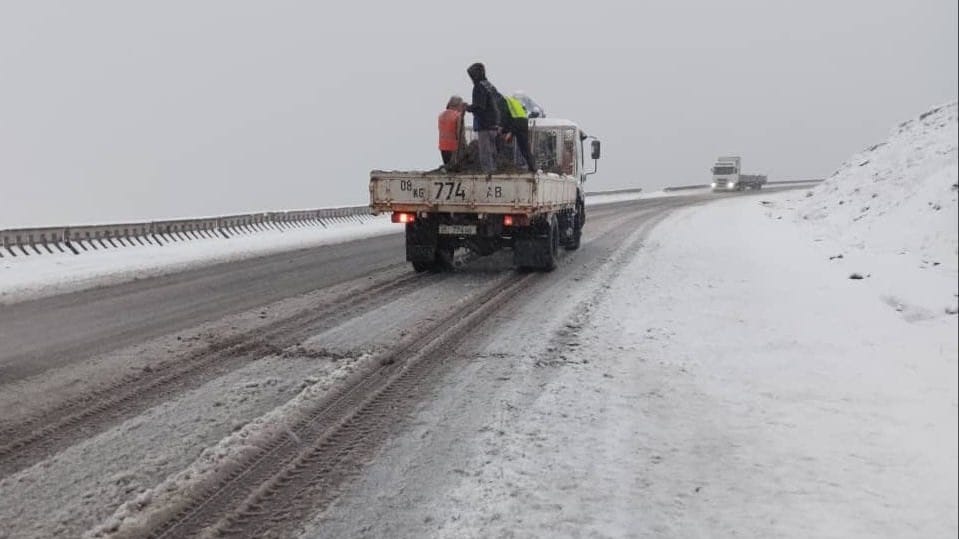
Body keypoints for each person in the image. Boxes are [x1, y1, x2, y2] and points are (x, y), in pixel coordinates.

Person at [464, 62, 502, 174]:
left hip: (484, 124)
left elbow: (480, 106)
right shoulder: (490, 86)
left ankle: (488, 173)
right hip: (495, 123)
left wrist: (468, 108)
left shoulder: (478, 87)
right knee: (493, 150)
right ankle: (494, 170)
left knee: (485, 151)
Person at [503, 94, 536, 172]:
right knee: (525, 147)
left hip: (517, 121)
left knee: (523, 147)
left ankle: (531, 166)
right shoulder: (513, 101)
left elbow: (507, 119)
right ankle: (532, 166)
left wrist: (507, 131)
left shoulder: (503, 103)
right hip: (524, 122)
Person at [438, 95, 465, 167]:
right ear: (458, 105)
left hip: (442, 145)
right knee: (454, 169)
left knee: (447, 166)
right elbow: (459, 133)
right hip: (453, 146)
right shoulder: (457, 116)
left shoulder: (441, 115)